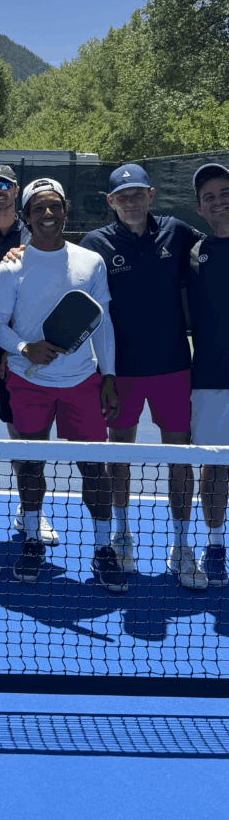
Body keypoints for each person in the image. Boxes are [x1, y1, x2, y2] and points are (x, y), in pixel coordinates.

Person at [0, 178, 127, 591]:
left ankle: (104, 549)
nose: (48, 215)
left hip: (82, 382)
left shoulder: (91, 262)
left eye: (55, 207)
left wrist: (108, 376)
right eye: (39, 209)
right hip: (27, 382)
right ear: (26, 216)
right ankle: (32, 540)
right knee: (31, 466)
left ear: (65, 209)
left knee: (94, 470)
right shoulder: (11, 265)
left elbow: (102, 325)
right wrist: (25, 349)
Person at [81, 164, 207, 588]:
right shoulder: (94, 244)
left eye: (138, 193)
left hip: (174, 367)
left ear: (151, 195)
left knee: (181, 457)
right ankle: (121, 536)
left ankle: (182, 544)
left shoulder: (179, 232)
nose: (131, 202)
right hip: (121, 373)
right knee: (119, 454)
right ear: (110, 201)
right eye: (122, 196)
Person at [0, 164, 59, 546]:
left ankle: (30, 513)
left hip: (23, 362)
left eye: (4, 184)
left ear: (16, 190)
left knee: (25, 440)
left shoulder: (37, 236)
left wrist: (14, 351)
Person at [187, 163, 229, 586]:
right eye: (210, 196)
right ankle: (215, 543)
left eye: (225, 191)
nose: (219, 200)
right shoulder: (194, 254)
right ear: (200, 208)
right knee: (214, 467)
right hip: (212, 378)